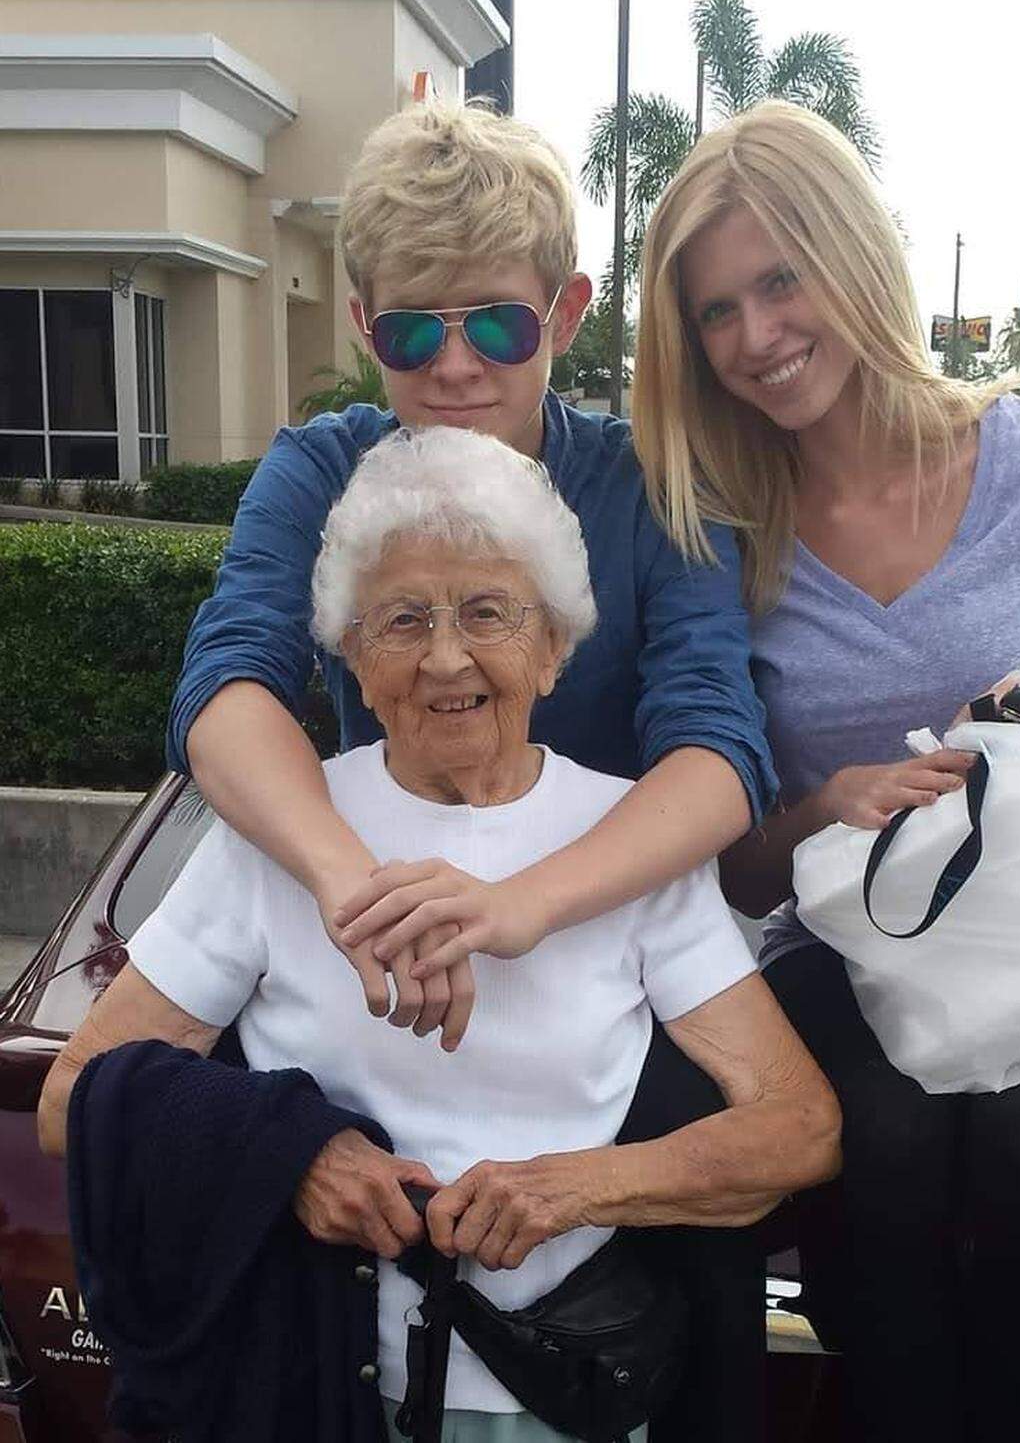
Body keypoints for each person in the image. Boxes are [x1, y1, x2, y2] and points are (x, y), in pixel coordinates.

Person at [39, 427, 841, 1443]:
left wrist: (574, 1189)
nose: (446, 655)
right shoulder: (281, 835)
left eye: (488, 612)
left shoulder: (628, 842)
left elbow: (798, 1123)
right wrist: (295, 1156)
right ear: (355, 661)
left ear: (552, 647)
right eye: (403, 618)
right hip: (314, 1382)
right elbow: (76, 1099)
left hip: (561, 1392)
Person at [633, 98, 1020, 1443]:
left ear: (855, 254)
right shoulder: (721, 537)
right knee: (886, 1148)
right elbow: (743, 861)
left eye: (779, 281)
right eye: (717, 313)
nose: (755, 339)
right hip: (858, 938)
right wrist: (826, 803)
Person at [166, 98, 775, 1041]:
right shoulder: (319, 470)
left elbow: (717, 750)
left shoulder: (652, 490)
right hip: (384, 935)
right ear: (366, 325)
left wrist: (522, 902)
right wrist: (350, 886)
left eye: (498, 328)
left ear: (564, 313)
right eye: (413, 331)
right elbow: (230, 683)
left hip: (608, 938)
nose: (454, 367)